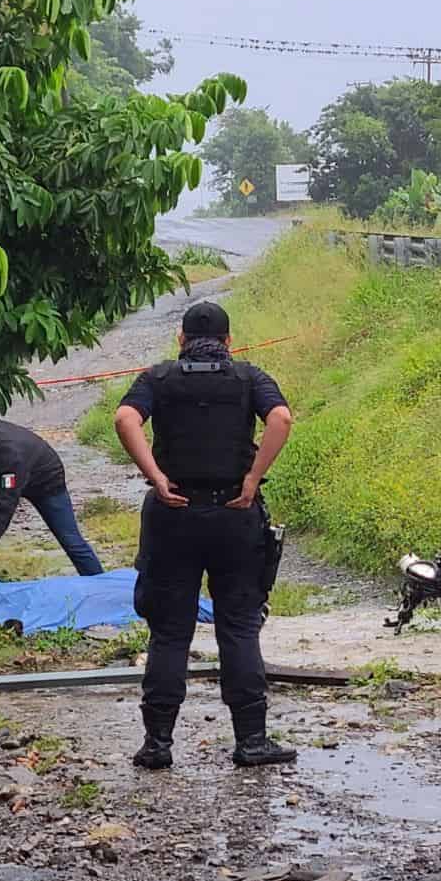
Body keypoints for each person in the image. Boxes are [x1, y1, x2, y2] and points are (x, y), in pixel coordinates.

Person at [114, 301, 295, 770]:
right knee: (238, 625)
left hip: (172, 514)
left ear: (181, 340)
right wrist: (253, 480)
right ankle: (251, 741)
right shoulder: (249, 377)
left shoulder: (158, 377)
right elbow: (281, 419)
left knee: (170, 632)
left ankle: (157, 745)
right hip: (234, 515)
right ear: (229, 342)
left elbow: (125, 419)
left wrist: (155, 475)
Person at [0, 416, 104, 576]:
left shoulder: (11, 457)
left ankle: (100, 584)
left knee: (70, 540)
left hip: (46, 480)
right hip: (5, 475)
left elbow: (3, 507)